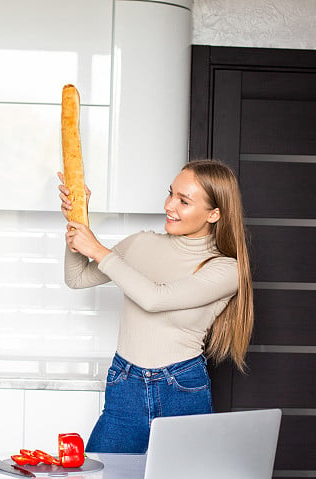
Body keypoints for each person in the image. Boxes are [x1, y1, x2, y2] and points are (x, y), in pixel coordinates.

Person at [59, 159, 253, 453]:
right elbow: (77, 278)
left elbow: (154, 299)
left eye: (184, 201)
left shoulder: (226, 270)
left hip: (181, 390)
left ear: (214, 214)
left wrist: (97, 249)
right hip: (125, 385)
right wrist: (78, 221)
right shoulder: (141, 244)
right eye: (170, 193)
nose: (169, 205)